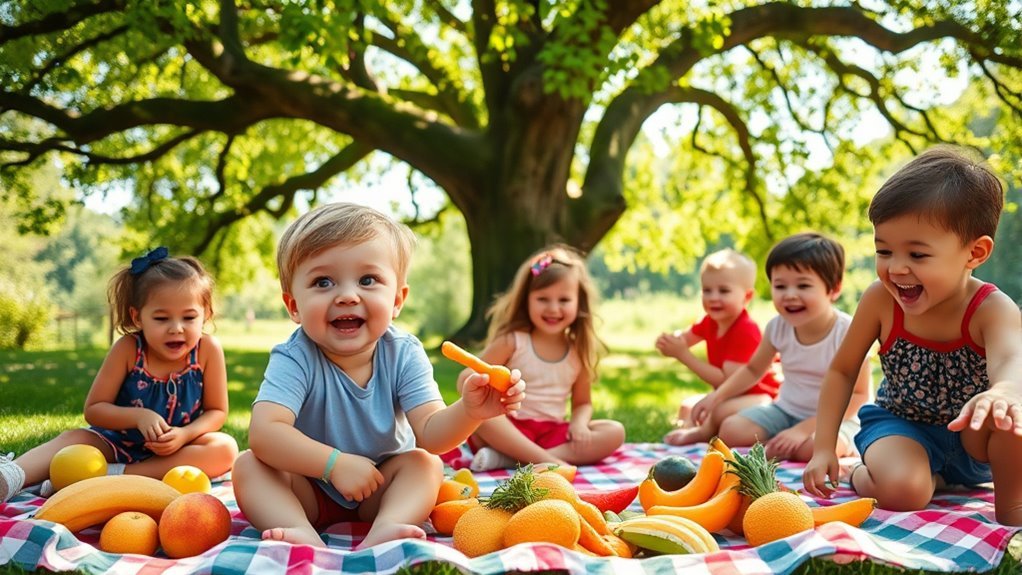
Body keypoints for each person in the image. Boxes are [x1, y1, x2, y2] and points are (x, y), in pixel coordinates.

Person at [232, 203, 526, 550]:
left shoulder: (403, 352)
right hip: (306, 488)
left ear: (398, 298)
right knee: (249, 465)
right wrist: (333, 464)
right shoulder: (295, 356)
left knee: (424, 464)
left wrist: (470, 411)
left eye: (367, 280)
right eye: (322, 282)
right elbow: (265, 432)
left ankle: (388, 526)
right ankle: (299, 532)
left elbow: (431, 434)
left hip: (380, 486)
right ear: (293, 305)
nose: (346, 296)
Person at [803, 147, 1022, 526]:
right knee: (905, 492)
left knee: (1012, 413)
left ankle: (1013, 514)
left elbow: (1011, 360)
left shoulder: (992, 308)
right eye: (884, 250)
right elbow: (842, 371)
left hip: (974, 437)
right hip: (901, 425)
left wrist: (1004, 391)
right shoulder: (880, 301)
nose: (896, 268)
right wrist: (824, 446)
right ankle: (868, 474)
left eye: (918, 255)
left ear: (975, 252)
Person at [0, 248, 238, 503]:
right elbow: (94, 409)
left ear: (206, 314)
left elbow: (217, 412)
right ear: (138, 317)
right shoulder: (128, 349)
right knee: (74, 439)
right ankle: (11, 476)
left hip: (175, 450)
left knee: (225, 448)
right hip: (114, 444)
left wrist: (184, 435)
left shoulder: (207, 350)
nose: (176, 328)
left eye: (189, 317)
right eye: (161, 318)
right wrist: (138, 416)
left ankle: (112, 476)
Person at [689, 233, 872, 461]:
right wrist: (716, 397)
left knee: (813, 449)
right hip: (785, 410)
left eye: (803, 285)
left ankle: (785, 444)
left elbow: (859, 395)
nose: (789, 295)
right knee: (730, 430)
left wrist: (803, 430)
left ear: (833, 289)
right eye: (780, 286)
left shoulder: (847, 332)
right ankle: (781, 444)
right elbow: (753, 370)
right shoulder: (777, 327)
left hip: (840, 418)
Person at [456, 244, 625, 472]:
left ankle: (512, 460)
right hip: (508, 428)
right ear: (527, 300)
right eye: (543, 299)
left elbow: (583, 403)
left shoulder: (579, 350)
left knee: (614, 432)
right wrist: (476, 383)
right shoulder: (513, 341)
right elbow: (468, 376)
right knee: (480, 415)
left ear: (579, 302)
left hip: (550, 433)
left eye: (564, 300)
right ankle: (550, 463)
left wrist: (579, 423)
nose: (553, 308)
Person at [655, 249, 780, 446]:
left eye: (723, 291)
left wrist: (683, 355)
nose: (713, 297)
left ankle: (700, 434)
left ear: (746, 297)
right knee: (688, 406)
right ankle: (691, 430)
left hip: (761, 397)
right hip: (727, 396)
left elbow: (724, 380)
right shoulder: (709, 321)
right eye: (707, 290)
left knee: (719, 412)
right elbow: (684, 339)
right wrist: (669, 343)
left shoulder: (745, 330)